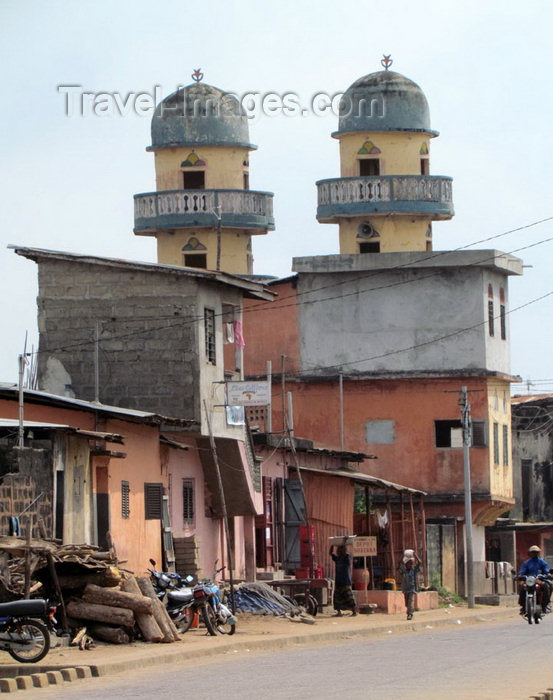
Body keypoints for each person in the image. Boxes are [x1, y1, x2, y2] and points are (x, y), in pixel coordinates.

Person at [518, 545, 551, 614]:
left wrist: (547, 574)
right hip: (529, 580)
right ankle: (523, 607)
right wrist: (520, 575)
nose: (534, 554)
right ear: (530, 553)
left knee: (547, 586)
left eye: (536, 552)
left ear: (538, 553)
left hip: (539, 580)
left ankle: (545, 606)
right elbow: (522, 571)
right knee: (522, 587)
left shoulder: (542, 562)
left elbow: (546, 570)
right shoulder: (527, 563)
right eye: (532, 552)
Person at [329, 541, 357, 616]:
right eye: (339, 550)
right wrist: (332, 544)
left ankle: (354, 611)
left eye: (341, 550)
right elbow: (331, 553)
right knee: (337, 597)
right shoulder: (337, 559)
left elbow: (346, 553)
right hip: (338, 581)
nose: (339, 551)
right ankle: (339, 612)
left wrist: (344, 543)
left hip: (345, 581)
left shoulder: (347, 558)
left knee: (349, 597)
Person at [397, 549, 422, 620]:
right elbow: (399, 563)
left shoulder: (414, 570)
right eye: (409, 564)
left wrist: (415, 554)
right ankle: (409, 612)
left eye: (411, 564)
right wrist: (403, 554)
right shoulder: (404, 571)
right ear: (406, 565)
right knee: (407, 603)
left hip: (412, 589)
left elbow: (420, 562)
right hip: (405, 589)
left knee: (411, 602)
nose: (410, 565)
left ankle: (410, 614)